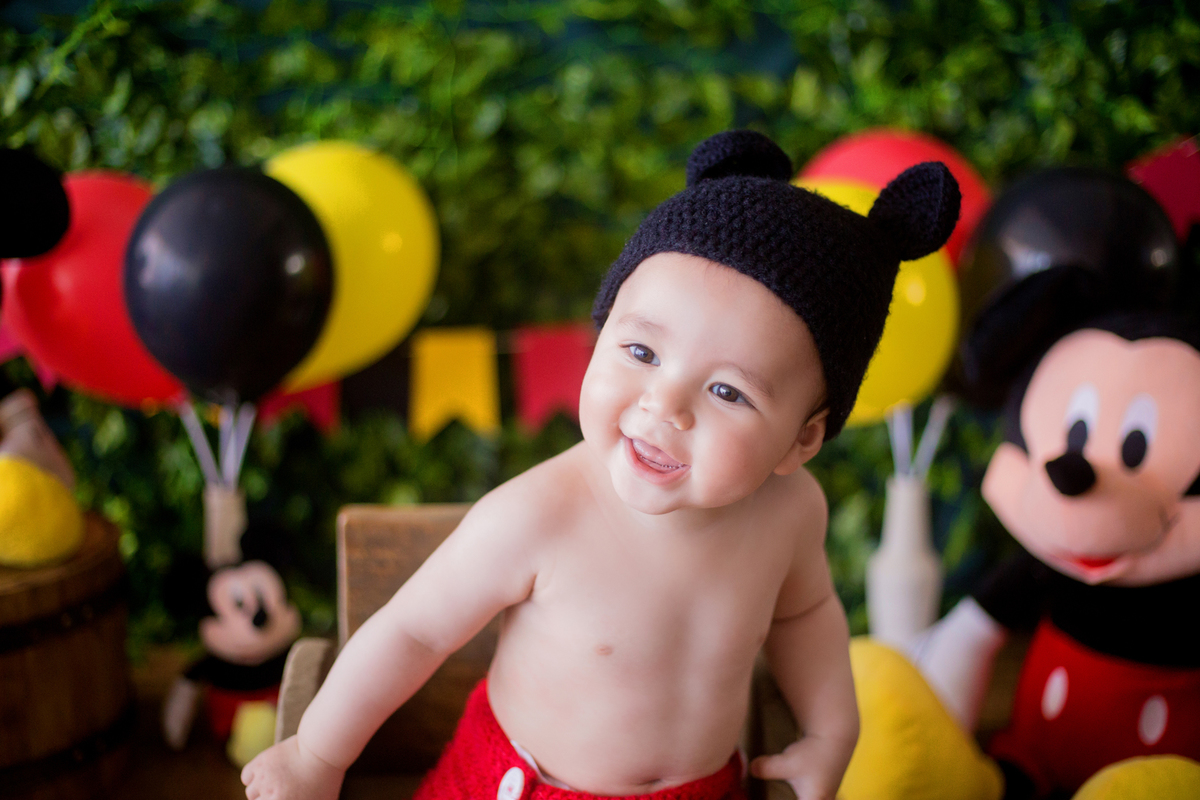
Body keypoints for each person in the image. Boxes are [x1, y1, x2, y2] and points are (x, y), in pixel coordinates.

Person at [242, 130, 960, 800]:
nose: (664, 406)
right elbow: (413, 632)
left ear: (802, 440)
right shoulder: (541, 515)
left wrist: (832, 733)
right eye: (642, 353)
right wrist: (317, 758)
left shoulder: (791, 514)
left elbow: (807, 615)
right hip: (521, 784)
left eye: (727, 391)